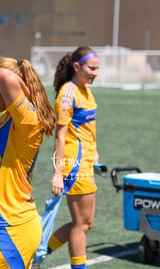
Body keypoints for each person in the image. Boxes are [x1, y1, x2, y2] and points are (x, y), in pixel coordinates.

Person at [0, 57, 55, 268]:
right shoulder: (7, 118)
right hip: (7, 225)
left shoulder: (27, 121)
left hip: (10, 228)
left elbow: (5, 75)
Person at [33, 46, 100, 269]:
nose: (95, 73)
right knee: (81, 224)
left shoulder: (86, 90)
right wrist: (58, 174)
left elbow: (87, 128)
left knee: (84, 222)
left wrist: (95, 151)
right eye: (91, 68)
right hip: (75, 165)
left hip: (87, 162)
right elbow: (60, 138)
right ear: (77, 66)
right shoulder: (67, 94)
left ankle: (37, 256)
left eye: (97, 69)